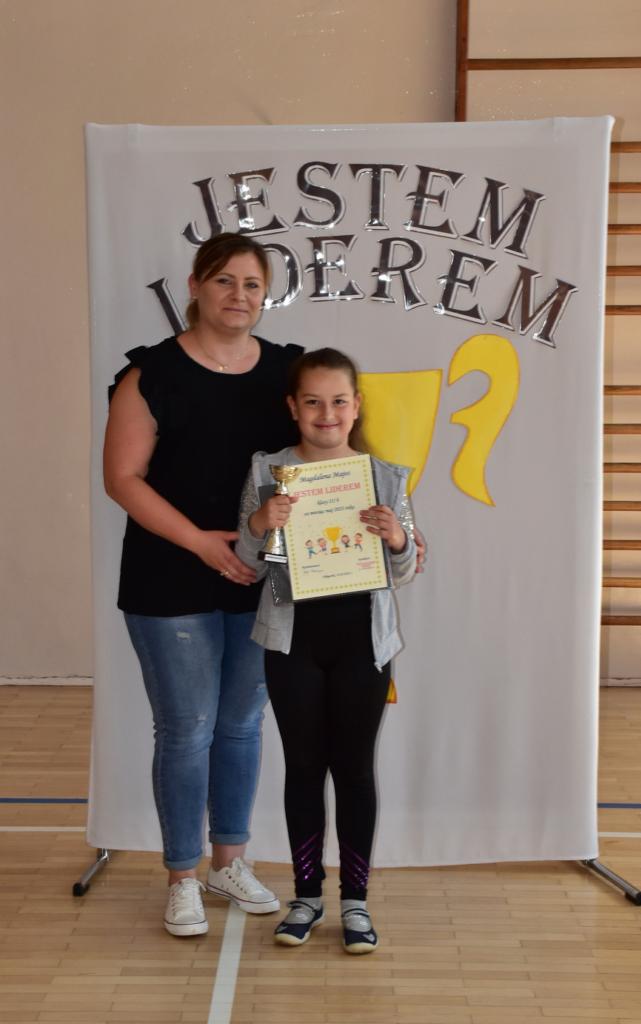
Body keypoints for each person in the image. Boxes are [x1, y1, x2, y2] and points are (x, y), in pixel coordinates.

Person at [103, 232, 303, 937]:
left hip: (261, 576)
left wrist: (388, 522)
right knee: (187, 728)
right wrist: (200, 543)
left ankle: (229, 863)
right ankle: (182, 877)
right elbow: (122, 478)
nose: (238, 296)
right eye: (224, 281)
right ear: (195, 286)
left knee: (242, 724)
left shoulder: (288, 370)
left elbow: (327, 455)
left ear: (265, 295)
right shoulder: (150, 374)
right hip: (169, 577)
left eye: (252, 285)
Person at [236, 348, 417, 954]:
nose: (326, 413)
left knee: (356, 770)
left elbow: (404, 569)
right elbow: (247, 562)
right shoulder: (269, 471)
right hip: (293, 643)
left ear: (356, 406)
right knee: (305, 769)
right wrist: (260, 523)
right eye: (312, 401)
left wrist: (397, 539)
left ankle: (356, 902)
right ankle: (307, 896)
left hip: (363, 643)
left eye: (338, 401)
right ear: (293, 407)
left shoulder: (383, 476)